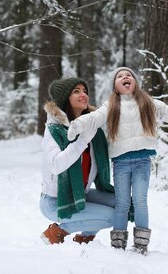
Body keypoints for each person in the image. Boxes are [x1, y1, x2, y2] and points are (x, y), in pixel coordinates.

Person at [67, 67, 168, 254]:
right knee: (122, 202)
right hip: (121, 163)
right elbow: (93, 118)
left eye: (129, 75)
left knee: (140, 201)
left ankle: (140, 245)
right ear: (115, 87)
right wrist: (77, 124)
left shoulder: (148, 102)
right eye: (120, 76)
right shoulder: (110, 106)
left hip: (142, 161)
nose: (125, 77)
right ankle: (118, 246)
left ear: (135, 82)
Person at [40, 77, 116, 246]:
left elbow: (107, 152)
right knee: (111, 217)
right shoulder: (54, 130)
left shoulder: (90, 127)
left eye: (84, 91)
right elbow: (56, 165)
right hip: (55, 201)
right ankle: (58, 231)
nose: (83, 95)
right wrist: (82, 141)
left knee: (122, 202)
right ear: (65, 98)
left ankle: (84, 238)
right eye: (76, 91)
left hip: (81, 194)